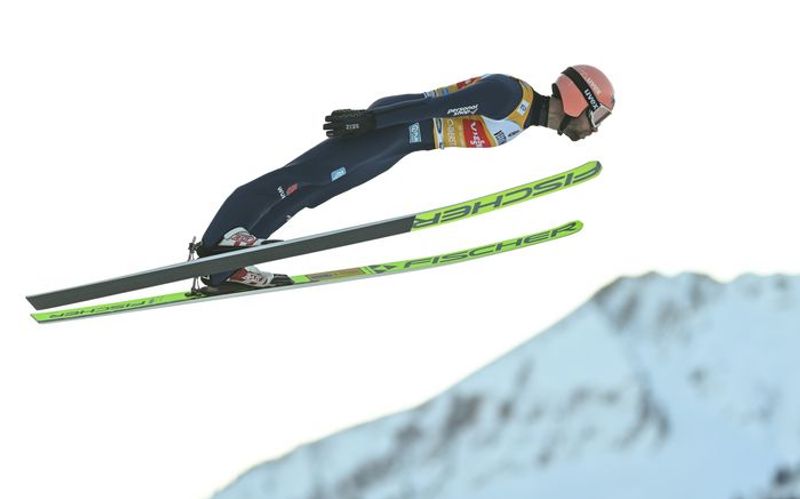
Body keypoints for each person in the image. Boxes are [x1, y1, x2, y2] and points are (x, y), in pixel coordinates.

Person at [196, 65, 615, 294]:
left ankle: (231, 265)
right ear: (582, 100)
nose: (593, 128)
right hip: (395, 129)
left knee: (312, 194)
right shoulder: (510, 96)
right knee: (304, 176)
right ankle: (220, 241)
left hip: (404, 143)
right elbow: (433, 105)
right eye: (597, 117)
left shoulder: (521, 119)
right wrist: (370, 121)